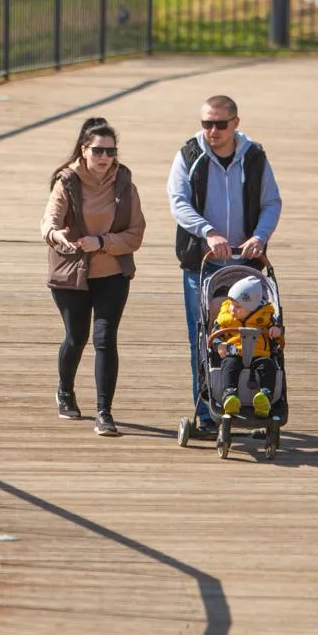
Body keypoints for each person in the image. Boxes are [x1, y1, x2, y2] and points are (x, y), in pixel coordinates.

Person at [166, 95, 283, 438]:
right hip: (202, 265)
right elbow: (178, 202)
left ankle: (255, 401)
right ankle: (207, 411)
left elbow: (271, 202)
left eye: (220, 124)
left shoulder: (255, 157)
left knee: (255, 337)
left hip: (245, 264)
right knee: (205, 338)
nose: (212, 131)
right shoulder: (189, 155)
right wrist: (208, 232)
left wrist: (260, 237)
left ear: (236, 123)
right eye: (206, 123)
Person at [42, 116, 146, 437]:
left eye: (110, 151)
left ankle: (105, 412)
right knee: (76, 338)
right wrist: (58, 237)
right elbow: (48, 222)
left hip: (112, 272)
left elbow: (136, 233)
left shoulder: (125, 186)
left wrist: (102, 242)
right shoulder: (66, 182)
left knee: (105, 340)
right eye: (98, 151)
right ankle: (65, 390)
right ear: (84, 150)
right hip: (72, 273)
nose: (105, 158)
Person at [214, 273, 283, 418]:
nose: (233, 309)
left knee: (268, 367)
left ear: (252, 307)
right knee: (229, 365)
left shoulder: (264, 317)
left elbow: (277, 333)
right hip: (234, 352)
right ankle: (230, 395)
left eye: (238, 307)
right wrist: (219, 344)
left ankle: (265, 396)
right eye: (232, 304)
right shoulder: (226, 317)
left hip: (259, 353)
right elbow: (215, 333)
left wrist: (276, 331)